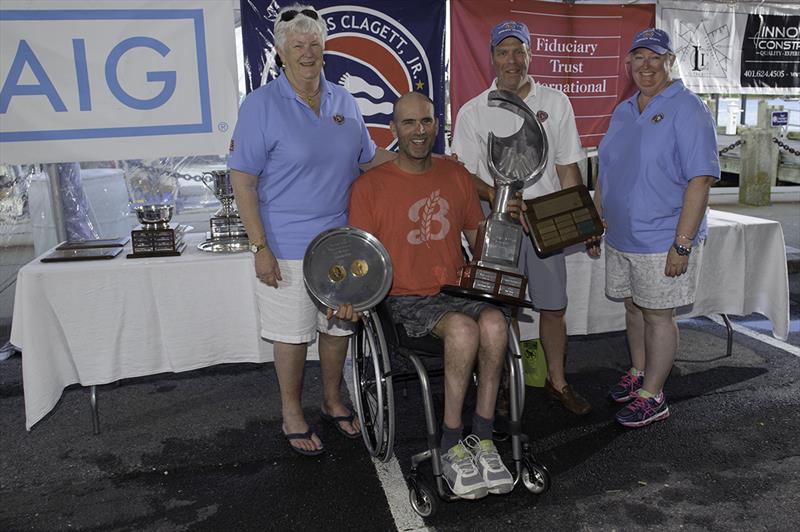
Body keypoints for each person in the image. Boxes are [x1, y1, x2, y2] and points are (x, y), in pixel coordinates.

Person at [227, 3, 395, 456]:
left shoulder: (344, 101)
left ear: (325, 48)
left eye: (314, 43)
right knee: (292, 332)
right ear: (281, 53)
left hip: (340, 243)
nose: (307, 51)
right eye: (297, 45)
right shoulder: (260, 106)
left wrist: (424, 161)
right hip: (284, 244)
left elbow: (368, 158)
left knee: (338, 328)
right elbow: (242, 179)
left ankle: (333, 399)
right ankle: (291, 411)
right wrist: (258, 245)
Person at [346, 92, 514, 499]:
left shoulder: (454, 175)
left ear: (437, 126)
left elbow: (477, 233)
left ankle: (485, 438)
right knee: (462, 330)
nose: (419, 131)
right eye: (409, 123)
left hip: (455, 289)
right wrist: (351, 295)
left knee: (495, 321)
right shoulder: (369, 187)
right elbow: (358, 258)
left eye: (426, 122)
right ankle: (452, 443)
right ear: (394, 131)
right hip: (404, 297)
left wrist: (492, 272)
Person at [451, 20, 592, 416]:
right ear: (492, 57)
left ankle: (557, 380)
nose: (512, 60)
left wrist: (582, 219)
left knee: (553, 307)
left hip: (546, 222)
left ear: (530, 54)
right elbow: (464, 175)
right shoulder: (473, 111)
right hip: (498, 224)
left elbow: (568, 168)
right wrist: (497, 197)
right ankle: (504, 384)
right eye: (503, 52)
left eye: (519, 51)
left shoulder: (557, 102)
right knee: (501, 308)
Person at [595, 28, 719, 427]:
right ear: (628, 63)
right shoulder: (624, 110)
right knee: (634, 307)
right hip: (621, 236)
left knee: (658, 315)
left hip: (662, 238)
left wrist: (681, 243)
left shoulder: (688, 108)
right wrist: (595, 217)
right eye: (639, 57)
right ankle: (639, 372)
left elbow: (700, 179)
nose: (646, 66)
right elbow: (606, 170)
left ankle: (654, 394)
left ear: (670, 62)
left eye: (656, 57)